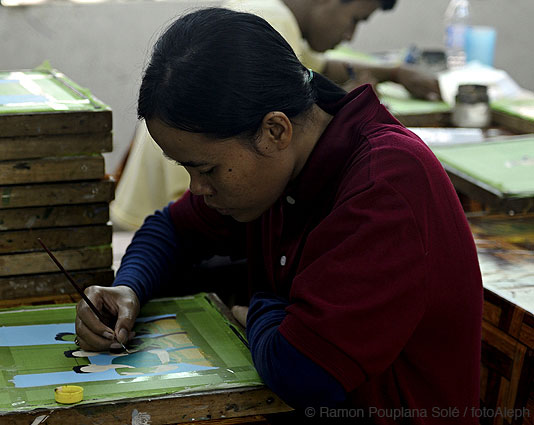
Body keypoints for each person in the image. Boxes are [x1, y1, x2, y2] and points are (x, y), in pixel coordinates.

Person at [77, 8, 483, 423]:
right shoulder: (279, 168)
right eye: (187, 170)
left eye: (206, 169)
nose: (198, 188)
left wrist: (260, 306)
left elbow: (304, 373)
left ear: (275, 131)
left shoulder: (385, 186)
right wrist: (129, 287)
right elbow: (171, 228)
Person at [110, 0, 442, 230]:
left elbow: (320, 68)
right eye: (355, 19)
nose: (350, 36)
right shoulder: (269, 21)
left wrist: (395, 72)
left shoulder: (271, 15)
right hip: (152, 212)